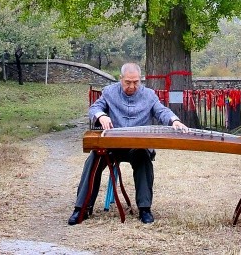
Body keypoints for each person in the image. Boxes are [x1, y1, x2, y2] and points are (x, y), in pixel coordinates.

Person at [68, 62, 188, 225]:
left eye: (136, 82)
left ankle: (145, 209)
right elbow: (95, 108)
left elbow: (161, 111)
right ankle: (81, 208)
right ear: (121, 79)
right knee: (94, 158)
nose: (132, 86)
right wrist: (101, 115)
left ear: (141, 80)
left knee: (143, 158)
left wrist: (174, 120)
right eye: (128, 82)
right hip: (112, 146)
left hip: (136, 146)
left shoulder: (149, 95)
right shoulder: (109, 92)